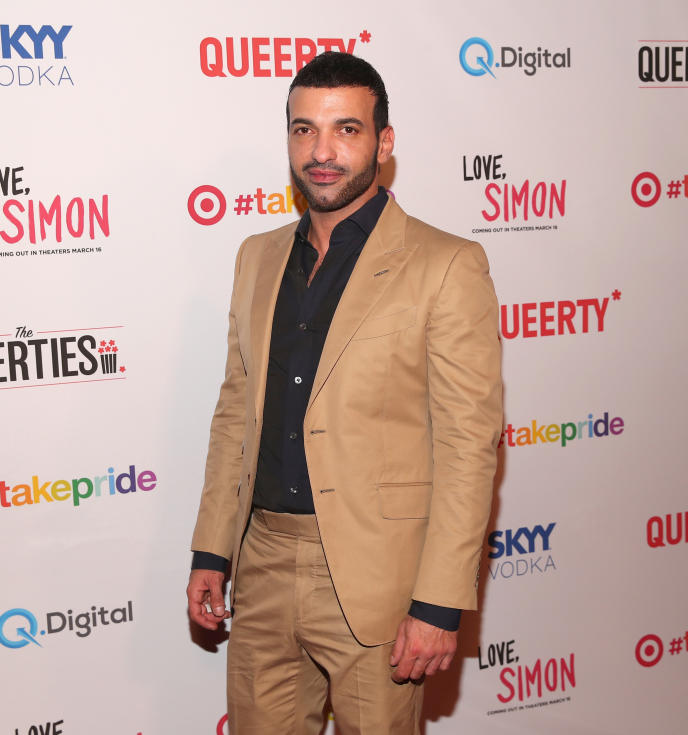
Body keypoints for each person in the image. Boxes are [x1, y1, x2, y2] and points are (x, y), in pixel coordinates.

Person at [187, 51, 502, 734]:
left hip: (378, 578)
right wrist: (212, 550)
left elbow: (468, 446)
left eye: (346, 130)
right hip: (263, 558)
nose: (322, 151)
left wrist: (439, 602)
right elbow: (236, 411)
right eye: (304, 130)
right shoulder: (257, 256)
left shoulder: (446, 265)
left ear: (383, 144)